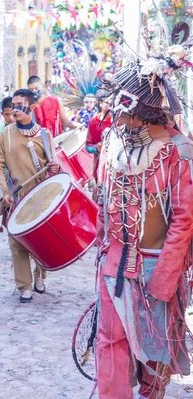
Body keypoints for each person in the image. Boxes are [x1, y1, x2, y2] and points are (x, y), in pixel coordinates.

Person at [94, 44, 193, 399]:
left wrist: (166, 277)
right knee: (110, 341)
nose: (115, 115)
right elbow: (102, 199)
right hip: (115, 264)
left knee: (157, 347)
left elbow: (184, 220)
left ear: (140, 110)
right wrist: (102, 247)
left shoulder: (179, 150)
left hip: (156, 266)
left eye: (122, 107)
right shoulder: (110, 142)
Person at [0, 89, 60, 303]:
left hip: (41, 198)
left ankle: (40, 276)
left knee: (41, 242)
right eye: (13, 104)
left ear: (31, 107)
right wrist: (5, 191)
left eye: (19, 104)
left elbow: (54, 167)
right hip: (17, 197)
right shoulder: (5, 134)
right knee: (17, 243)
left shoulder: (44, 135)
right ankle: (24, 285)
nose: (14, 109)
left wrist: (55, 168)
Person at [85, 96, 112, 181]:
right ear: (100, 103)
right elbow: (88, 146)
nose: (111, 105)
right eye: (107, 102)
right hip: (99, 165)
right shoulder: (93, 122)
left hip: (115, 166)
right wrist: (96, 148)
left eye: (113, 103)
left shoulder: (119, 121)